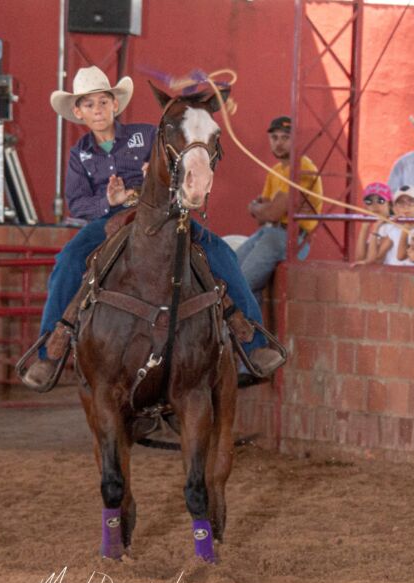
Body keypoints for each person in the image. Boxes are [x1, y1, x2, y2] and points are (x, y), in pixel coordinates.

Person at [22, 66, 284, 391]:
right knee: (67, 261)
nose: (98, 110)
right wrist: (108, 201)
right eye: (89, 105)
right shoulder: (80, 155)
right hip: (109, 222)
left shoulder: (147, 135)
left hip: (163, 214)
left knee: (220, 252)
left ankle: (252, 343)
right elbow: (77, 204)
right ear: (78, 112)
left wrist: (155, 176)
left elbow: (177, 160)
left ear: (115, 105)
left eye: (103, 102)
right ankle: (50, 351)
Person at [234, 115, 323, 290]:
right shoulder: (274, 171)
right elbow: (263, 218)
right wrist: (266, 209)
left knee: (240, 283)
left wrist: (256, 207)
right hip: (270, 232)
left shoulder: (303, 167)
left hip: (293, 238)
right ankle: (252, 316)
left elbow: (271, 213)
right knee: (229, 269)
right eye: (274, 138)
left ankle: (245, 314)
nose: (279, 143)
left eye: (285, 137)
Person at [352, 182, 394, 266]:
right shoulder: (378, 226)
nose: (375, 205)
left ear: (389, 204)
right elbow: (360, 258)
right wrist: (364, 227)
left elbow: (375, 260)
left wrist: (375, 229)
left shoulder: (393, 226)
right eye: (369, 201)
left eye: (380, 201)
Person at [384, 186, 414, 267]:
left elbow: (401, 256)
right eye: (401, 203)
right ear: (395, 208)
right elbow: (379, 256)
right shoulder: (392, 228)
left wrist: (405, 227)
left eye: (411, 202)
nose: (406, 207)